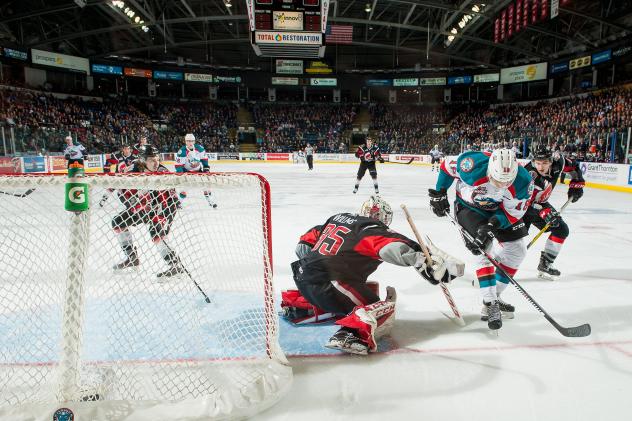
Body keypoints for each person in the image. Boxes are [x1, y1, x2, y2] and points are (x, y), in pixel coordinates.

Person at [281, 195, 464, 355]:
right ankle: (351, 335)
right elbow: (391, 246)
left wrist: (318, 267)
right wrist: (423, 260)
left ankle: (302, 306)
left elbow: (303, 246)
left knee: (365, 289)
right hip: (329, 283)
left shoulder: (337, 218)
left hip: (302, 276)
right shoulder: (370, 228)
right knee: (380, 309)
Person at [429, 148, 534, 331]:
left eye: (506, 181)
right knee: (482, 248)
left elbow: (513, 213)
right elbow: (446, 167)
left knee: (517, 250)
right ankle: (490, 301)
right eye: (497, 180)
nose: (501, 185)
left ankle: (493, 298)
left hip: (500, 212)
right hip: (470, 208)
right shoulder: (471, 164)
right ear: (490, 169)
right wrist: (440, 193)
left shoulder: (523, 182)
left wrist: (493, 225)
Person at [111, 146, 184, 280]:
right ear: (143, 160)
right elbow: (121, 191)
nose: (156, 163)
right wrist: (134, 205)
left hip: (164, 206)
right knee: (118, 222)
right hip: (142, 207)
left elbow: (172, 200)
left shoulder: (163, 172)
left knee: (156, 232)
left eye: (157, 159)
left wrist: (158, 215)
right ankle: (131, 258)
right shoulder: (133, 170)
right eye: (152, 160)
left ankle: (175, 265)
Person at [523, 144, 585, 280]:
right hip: (522, 207)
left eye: (545, 163)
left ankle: (546, 264)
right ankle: (499, 265)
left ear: (551, 161)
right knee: (515, 240)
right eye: (538, 163)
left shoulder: (559, 163)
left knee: (561, 229)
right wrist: (543, 212)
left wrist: (576, 184)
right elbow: (523, 202)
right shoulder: (528, 175)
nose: (541, 167)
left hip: (540, 203)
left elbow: (574, 168)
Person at [175, 133, 216, 208]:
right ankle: (179, 203)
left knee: (206, 186)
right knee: (184, 189)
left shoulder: (200, 148)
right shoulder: (182, 151)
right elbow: (178, 165)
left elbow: (204, 159)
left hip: (198, 171)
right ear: (185, 141)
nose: (190, 143)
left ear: (194, 141)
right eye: (188, 141)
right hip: (186, 172)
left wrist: (206, 168)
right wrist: (180, 174)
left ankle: (210, 201)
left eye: (191, 141)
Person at [99, 143, 138, 207]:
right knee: (112, 187)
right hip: (118, 174)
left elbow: (134, 165)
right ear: (123, 149)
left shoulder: (134, 156)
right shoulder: (118, 154)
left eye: (128, 149)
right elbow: (108, 156)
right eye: (125, 149)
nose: (126, 150)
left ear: (130, 149)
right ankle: (104, 199)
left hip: (128, 176)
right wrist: (104, 162)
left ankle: (132, 200)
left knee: (130, 189)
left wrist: (128, 169)